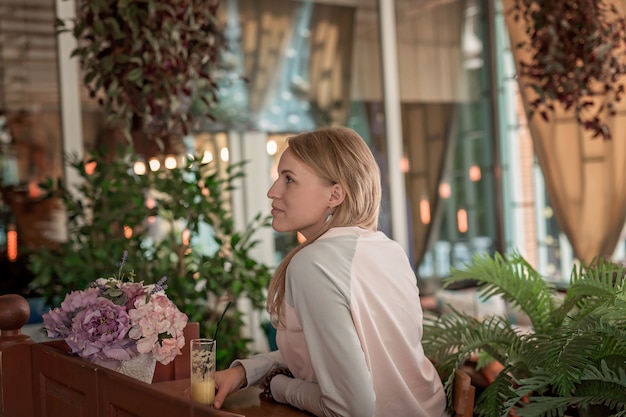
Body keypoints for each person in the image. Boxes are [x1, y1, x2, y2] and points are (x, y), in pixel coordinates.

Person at [213, 126, 448, 417]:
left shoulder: (313, 264)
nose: (272, 191)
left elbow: (351, 409)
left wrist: (280, 387)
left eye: (289, 180)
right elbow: (337, 356)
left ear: (335, 194)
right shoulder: (389, 249)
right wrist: (247, 372)